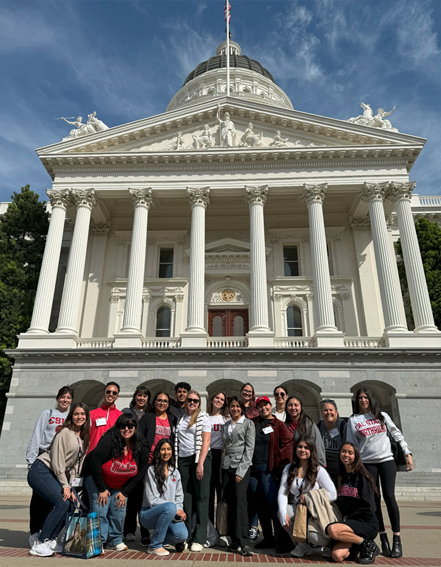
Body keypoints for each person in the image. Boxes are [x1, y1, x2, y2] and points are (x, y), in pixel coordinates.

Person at [346, 387, 413, 558]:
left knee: (389, 497)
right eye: (360, 398)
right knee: (373, 501)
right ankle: (382, 537)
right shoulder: (353, 420)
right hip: (367, 463)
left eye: (366, 397)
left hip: (386, 460)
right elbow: (351, 444)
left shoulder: (381, 416)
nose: (363, 400)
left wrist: (407, 453)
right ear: (357, 401)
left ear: (371, 399)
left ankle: (397, 538)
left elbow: (396, 434)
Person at [27, 403, 90, 557]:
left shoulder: (82, 438)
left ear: (86, 417)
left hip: (54, 474)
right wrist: (64, 485)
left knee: (70, 504)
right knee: (61, 503)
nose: (79, 417)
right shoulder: (65, 432)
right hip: (41, 470)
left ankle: (50, 540)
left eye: (82, 414)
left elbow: (75, 467)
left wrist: (73, 489)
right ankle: (40, 543)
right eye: (76, 414)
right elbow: (57, 461)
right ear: (71, 416)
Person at [84, 413, 149, 551]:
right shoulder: (109, 441)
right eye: (122, 426)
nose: (126, 429)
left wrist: (125, 492)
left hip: (120, 484)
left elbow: (142, 470)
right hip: (97, 479)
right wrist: (101, 489)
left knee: (119, 510)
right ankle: (98, 542)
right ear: (117, 427)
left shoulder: (140, 445)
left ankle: (115, 539)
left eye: (130, 425)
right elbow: (94, 464)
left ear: (135, 427)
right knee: (101, 509)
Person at [26, 385, 74, 547]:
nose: (65, 400)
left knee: (52, 500)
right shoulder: (48, 414)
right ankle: (34, 531)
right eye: (62, 397)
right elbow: (36, 436)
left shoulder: (71, 417)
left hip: (60, 463)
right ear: (57, 398)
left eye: (68, 398)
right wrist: (31, 461)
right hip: (44, 458)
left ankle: (45, 530)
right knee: (38, 499)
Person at [277, 435, 337, 558]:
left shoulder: (318, 470)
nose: (303, 450)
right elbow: (283, 492)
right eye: (300, 447)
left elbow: (333, 494)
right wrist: (283, 513)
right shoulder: (289, 468)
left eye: (306, 448)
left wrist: (310, 498)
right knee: (283, 512)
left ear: (311, 451)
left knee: (314, 537)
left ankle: (328, 544)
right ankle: (302, 545)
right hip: (299, 509)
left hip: (317, 512)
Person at [249, 396, 293, 554]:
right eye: (259, 406)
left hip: (269, 470)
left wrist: (278, 464)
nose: (263, 408)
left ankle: (281, 538)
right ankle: (267, 537)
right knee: (259, 504)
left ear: (270, 406)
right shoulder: (252, 423)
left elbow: (287, 443)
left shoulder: (278, 424)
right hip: (254, 471)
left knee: (272, 504)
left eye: (265, 405)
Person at [326, 442, 379, 564]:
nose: (346, 455)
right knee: (337, 556)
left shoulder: (362, 477)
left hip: (366, 522)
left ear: (356, 456)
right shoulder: (340, 477)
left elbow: (369, 506)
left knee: (333, 530)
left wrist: (350, 517)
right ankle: (360, 544)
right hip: (348, 525)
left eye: (350, 452)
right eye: (343, 451)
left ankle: (367, 543)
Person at [174, 390, 211, 552]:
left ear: (199, 403)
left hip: (199, 459)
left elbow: (206, 440)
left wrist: (200, 463)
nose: (192, 403)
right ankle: (186, 535)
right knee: (186, 497)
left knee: (201, 497)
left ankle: (200, 537)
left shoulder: (203, 417)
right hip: (182, 460)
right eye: (190, 400)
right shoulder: (181, 418)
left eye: (196, 401)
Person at [140, 439, 188, 556]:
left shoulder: (175, 472)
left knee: (182, 535)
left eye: (168, 449)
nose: (166, 452)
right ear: (158, 452)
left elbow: (179, 496)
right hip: (148, 514)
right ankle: (154, 546)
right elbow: (152, 500)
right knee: (170, 507)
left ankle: (158, 538)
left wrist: (179, 509)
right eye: (162, 449)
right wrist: (174, 508)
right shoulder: (151, 471)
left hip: (170, 513)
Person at [221, 396, 255, 556]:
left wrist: (241, 471)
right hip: (226, 466)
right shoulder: (226, 425)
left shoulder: (248, 424)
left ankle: (244, 541)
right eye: (232, 406)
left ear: (242, 408)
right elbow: (224, 446)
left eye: (237, 406)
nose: (234, 409)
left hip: (241, 466)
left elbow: (249, 449)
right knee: (230, 502)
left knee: (240, 501)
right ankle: (234, 539)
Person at [122, 385, 153, 545]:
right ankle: (129, 530)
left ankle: (145, 531)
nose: (141, 398)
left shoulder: (149, 415)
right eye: (139, 395)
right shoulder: (126, 413)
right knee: (131, 496)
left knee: (145, 497)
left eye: (145, 396)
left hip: (145, 459)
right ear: (135, 396)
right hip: (128, 458)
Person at [285, 395, 326, 466]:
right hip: (289, 463)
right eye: (290, 405)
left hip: (306, 463)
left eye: (296, 405)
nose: (293, 408)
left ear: (301, 407)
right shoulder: (285, 425)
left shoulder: (309, 424)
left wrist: (321, 463)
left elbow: (317, 443)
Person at [207, 391, 228, 527]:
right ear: (212, 399)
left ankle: (221, 528)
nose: (219, 400)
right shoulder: (204, 417)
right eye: (217, 398)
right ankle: (208, 528)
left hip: (221, 455)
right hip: (208, 455)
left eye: (222, 399)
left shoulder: (226, 419)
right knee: (208, 493)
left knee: (221, 493)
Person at [317, 399, 347, 486]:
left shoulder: (343, 426)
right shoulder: (318, 426)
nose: (328, 412)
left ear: (336, 412)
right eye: (325, 410)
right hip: (325, 467)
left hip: (341, 466)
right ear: (321, 414)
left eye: (331, 410)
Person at [88, 382, 122, 452]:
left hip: (112, 455)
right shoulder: (91, 414)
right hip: (94, 453)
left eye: (114, 393)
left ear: (117, 396)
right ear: (103, 394)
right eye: (108, 392)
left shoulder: (121, 416)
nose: (111, 394)